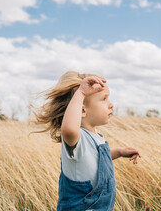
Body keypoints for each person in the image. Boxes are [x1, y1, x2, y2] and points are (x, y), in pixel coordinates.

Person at [32, 71, 141, 211]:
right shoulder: (77, 137)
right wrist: (81, 93)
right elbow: (69, 129)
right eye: (104, 99)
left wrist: (119, 152)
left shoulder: (97, 136)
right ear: (82, 111)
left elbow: (94, 160)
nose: (111, 104)